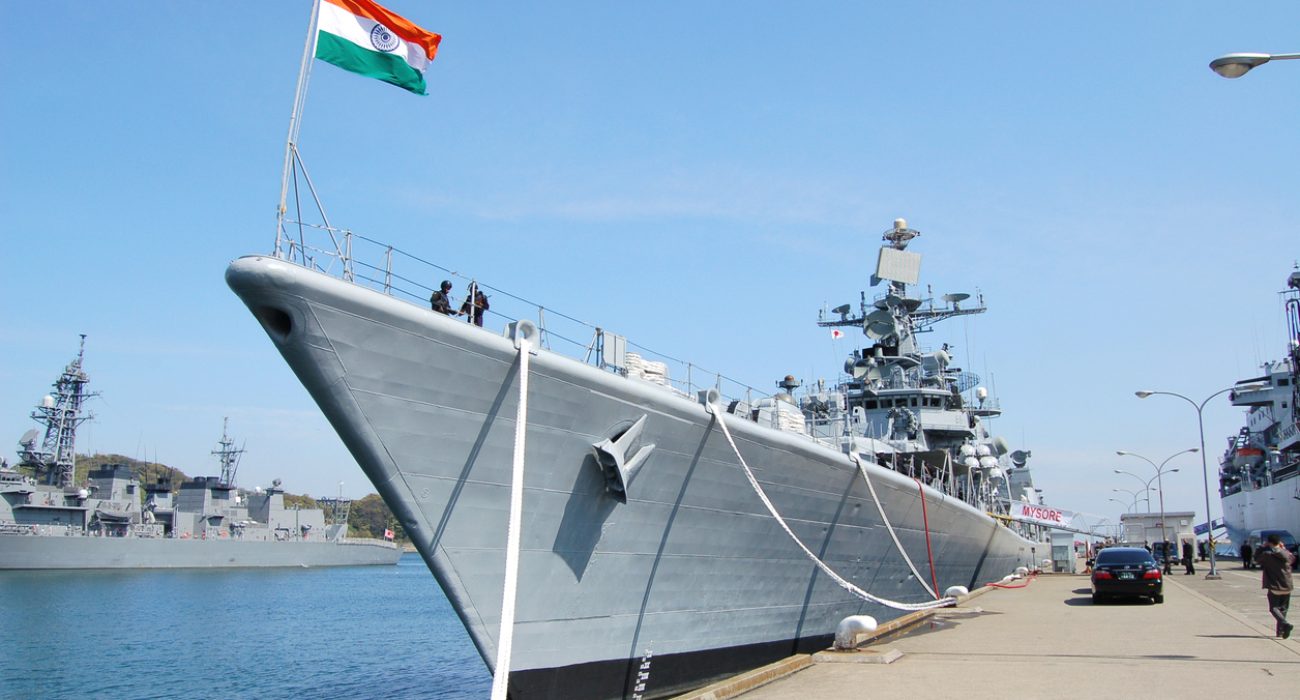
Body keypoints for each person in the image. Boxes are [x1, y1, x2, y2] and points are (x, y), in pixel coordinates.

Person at [1254, 533, 1295, 639]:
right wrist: (1284, 548)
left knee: (1274, 608)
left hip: (1275, 586)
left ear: (1269, 543)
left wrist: (1261, 547)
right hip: (1287, 585)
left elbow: (1256, 559)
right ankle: (1280, 632)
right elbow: (1292, 559)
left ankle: (1284, 624)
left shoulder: (1267, 555)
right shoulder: (1286, 553)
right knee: (1284, 609)